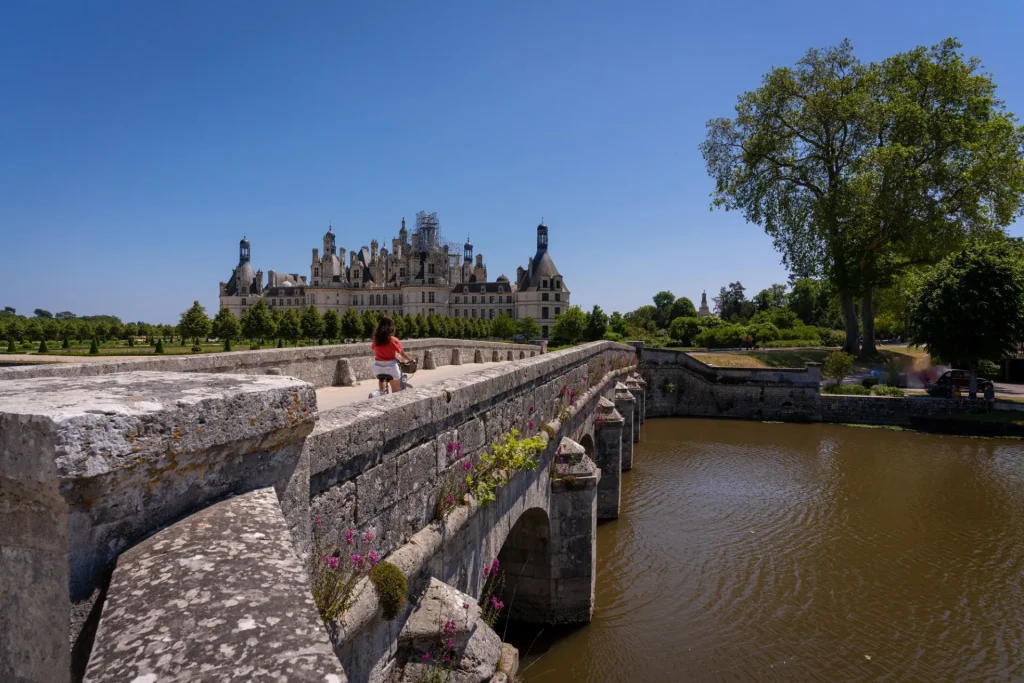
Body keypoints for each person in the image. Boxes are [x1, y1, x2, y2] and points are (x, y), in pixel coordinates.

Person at [370, 316, 413, 395]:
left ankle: (381, 392)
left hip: (378, 367)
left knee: (381, 379)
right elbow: (401, 353)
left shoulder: (376, 339)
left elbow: (373, 348)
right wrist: (410, 360)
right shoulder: (393, 340)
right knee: (395, 393)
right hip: (391, 367)